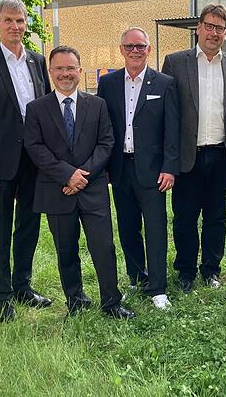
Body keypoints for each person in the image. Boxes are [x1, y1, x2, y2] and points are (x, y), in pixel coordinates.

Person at [23, 45, 135, 320]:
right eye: (59, 68)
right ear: (51, 72)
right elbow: (35, 147)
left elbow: (106, 142)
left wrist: (81, 175)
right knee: (66, 249)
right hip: (57, 189)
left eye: (70, 68)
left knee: (103, 247)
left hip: (92, 188)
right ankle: (75, 300)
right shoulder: (36, 109)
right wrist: (66, 174)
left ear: (80, 71)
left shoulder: (97, 104)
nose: (65, 74)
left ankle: (111, 302)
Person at [0, 0, 52, 322]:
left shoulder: (37, 61)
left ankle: (22, 286)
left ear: (26, 24)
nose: (15, 27)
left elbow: (46, 110)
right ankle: (2, 295)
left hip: (34, 161)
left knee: (29, 226)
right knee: (0, 230)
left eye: (20, 21)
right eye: (8, 20)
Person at [161, 3, 226, 292]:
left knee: (216, 217)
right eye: (209, 26)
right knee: (184, 218)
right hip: (188, 156)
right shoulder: (175, 62)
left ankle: (211, 270)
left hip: (221, 155)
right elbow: (167, 115)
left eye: (219, 28)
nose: (214, 33)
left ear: (225, 33)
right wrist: (168, 158)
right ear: (198, 28)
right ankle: (185, 271)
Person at [97, 27, 179, 310]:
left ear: (148, 49)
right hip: (120, 168)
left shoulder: (164, 83)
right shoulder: (107, 83)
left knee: (155, 228)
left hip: (154, 170)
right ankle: (136, 277)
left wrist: (169, 167)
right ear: (121, 49)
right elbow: (103, 127)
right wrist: (105, 165)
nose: (135, 51)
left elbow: (172, 129)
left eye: (141, 46)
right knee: (127, 227)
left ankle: (158, 287)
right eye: (130, 46)